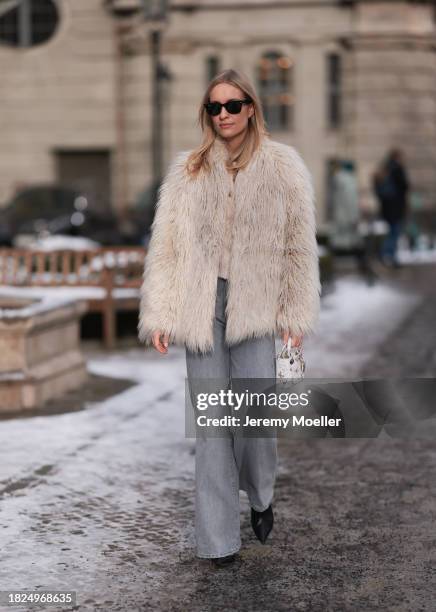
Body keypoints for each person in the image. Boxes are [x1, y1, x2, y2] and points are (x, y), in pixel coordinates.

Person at [137, 69, 321, 567]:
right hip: (202, 308)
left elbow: (298, 247)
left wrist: (295, 312)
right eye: (214, 108)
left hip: (258, 307)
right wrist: (159, 313)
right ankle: (218, 541)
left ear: (251, 108)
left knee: (256, 422)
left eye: (232, 106)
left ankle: (261, 495)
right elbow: (168, 249)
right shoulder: (189, 170)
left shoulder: (284, 167)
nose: (223, 116)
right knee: (214, 424)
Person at [373, 148, 410, 267]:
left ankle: (387, 255)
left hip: (386, 207)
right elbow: (405, 185)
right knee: (394, 232)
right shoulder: (397, 169)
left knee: (392, 232)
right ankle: (388, 255)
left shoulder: (385, 168)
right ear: (397, 157)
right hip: (396, 206)